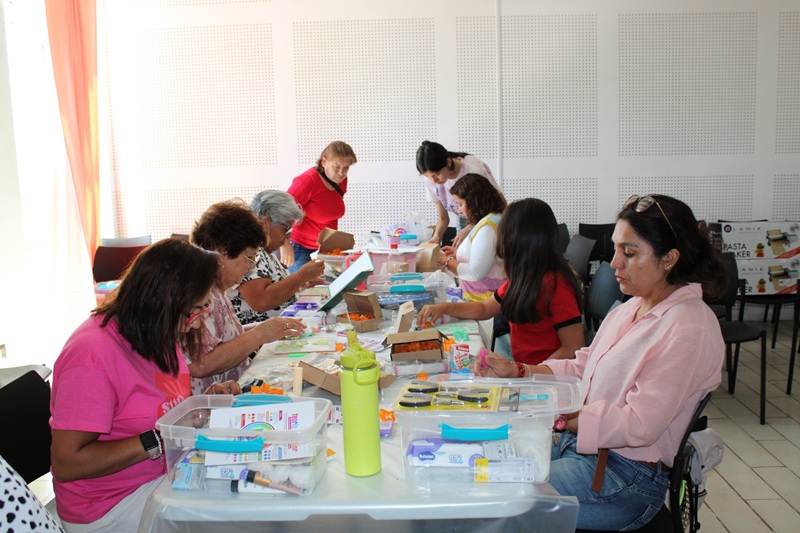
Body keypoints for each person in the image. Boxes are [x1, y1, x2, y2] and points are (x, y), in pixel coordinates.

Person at [474, 194, 727, 531]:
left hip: (627, 478)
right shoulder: (633, 307)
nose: (614, 263)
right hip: (588, 453)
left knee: (499, 499)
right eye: (616, 249)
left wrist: (563, 415)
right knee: (478, 469)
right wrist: (520, 372)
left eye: (629, 253)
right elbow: (584, 366)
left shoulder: (689, 327)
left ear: (669, 259)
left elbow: (640, 424)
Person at [50, 239, 244, 532]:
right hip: (110, 507)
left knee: (250, 490)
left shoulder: (154, 331)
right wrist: (158, 438)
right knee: (235, 516)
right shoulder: (91, 356)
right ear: (161, 302)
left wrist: (201, 406)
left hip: (163, 475)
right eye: (195, 310)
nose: (197, 323)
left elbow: (157, 405)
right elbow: (67, 464)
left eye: (205, 307)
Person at [417, 198, 585, 364]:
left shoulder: (556, 285)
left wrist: (525, 372)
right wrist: (444, 307)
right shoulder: (522, 277)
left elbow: (573, 348)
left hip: (544, 375)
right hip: (526, 369)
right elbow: (484, 308)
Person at [188, 200, 305, 395]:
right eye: (250, 257)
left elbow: (223, 338)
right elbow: (201, 364)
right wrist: (260, 334)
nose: (252, 266)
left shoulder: (218, 288)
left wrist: (269, 327)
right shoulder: (198, 295)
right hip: (211, 403)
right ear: (222, 251)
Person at [229, 190, 327, 325]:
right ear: (266, 222)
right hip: (258, 333)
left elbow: (275, 288)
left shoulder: (266, 250)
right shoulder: (250, 250)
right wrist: (300, 276)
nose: (288, 237)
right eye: (285, 229)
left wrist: (299, 285)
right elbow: (261, 301)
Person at [280, 141, 357, 273]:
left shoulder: (341, 180)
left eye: (346, 168)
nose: (341, 173)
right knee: (305, 285)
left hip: (325, 249)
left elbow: (330, 211)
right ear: (324, 161)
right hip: (299, 248)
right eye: (336, 167)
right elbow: (280, 212)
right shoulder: (307, 181)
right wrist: (284, 243)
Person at [415, 140, 499, 249]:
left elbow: (497, 206)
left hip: (486, 219)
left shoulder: (473, 169)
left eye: (437, 174)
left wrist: (471, 227)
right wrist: (436, 237)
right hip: (464, 219)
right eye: (428, 176)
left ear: (448, 162)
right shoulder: (431, 180)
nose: (433, 181)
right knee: (459, 252)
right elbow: (443, 218)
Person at [439, 173, 507, 302]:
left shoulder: (487, 226)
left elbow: (474, 273)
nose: (459, 211)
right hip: (485, 300)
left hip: (485, 301)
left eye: (460, 204)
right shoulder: (492, 220)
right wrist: (459, 255)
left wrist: (446, 261)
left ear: (473, 202)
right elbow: (487, 258)